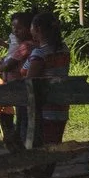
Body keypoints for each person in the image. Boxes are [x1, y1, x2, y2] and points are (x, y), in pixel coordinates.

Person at [23, 11, 71, 143]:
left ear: (37, 29)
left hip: (44, 106)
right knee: (56, 142)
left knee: (43, 145)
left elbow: (29, 78)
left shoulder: (40, 53)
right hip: (61, 104)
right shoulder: (64, 49)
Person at [0, 12, 35, 145]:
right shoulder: (28, 44)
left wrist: (0, 65)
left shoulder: (26, 46)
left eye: (19, 28)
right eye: (13, 28)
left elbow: (7, 65)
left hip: (21, 88)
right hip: (20, 88)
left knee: (23, 120)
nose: (15, 31)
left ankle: (23, 146)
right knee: (23, 118)